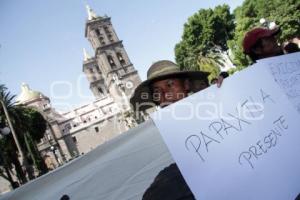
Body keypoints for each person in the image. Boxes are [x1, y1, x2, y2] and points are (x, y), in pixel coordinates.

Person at [130, 60, 211, 200]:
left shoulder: (213, 108)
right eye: (157, 91)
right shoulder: (159, 135)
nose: (165, 95)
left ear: (186, 85)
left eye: (170, 85)